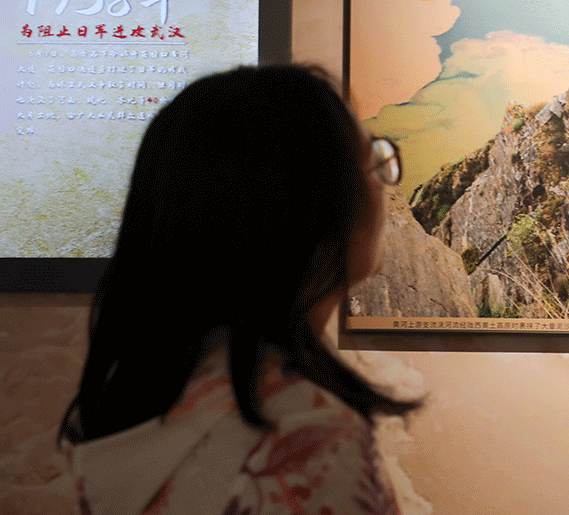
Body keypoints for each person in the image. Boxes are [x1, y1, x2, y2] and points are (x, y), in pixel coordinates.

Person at [59, 64, 416, 515]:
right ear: (311, 210)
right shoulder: (307, 441)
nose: (385, 187)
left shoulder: (136, 401)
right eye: (376, 163)